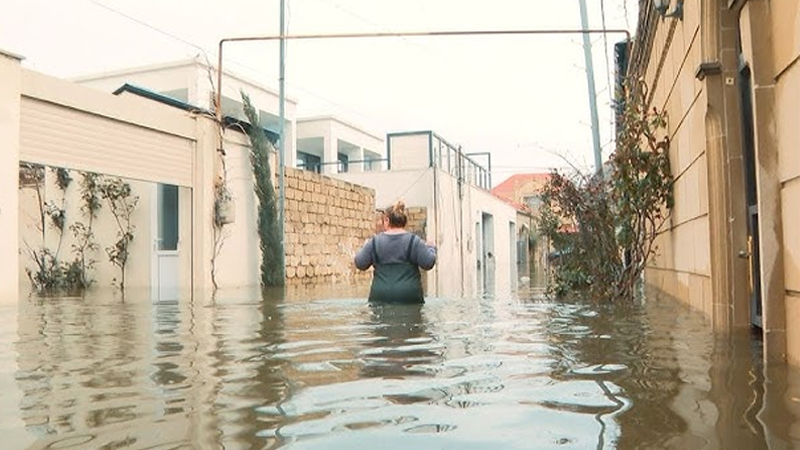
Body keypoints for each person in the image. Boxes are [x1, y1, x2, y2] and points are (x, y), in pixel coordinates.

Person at [354, 200, 437, 303]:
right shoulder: (414, 241)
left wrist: (365, 246)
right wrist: (431, 248)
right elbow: (428, 263)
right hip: (409, 297)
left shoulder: (374, 242)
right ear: (404, 221)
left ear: (387, 220)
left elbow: (360, 263)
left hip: (381, 296)